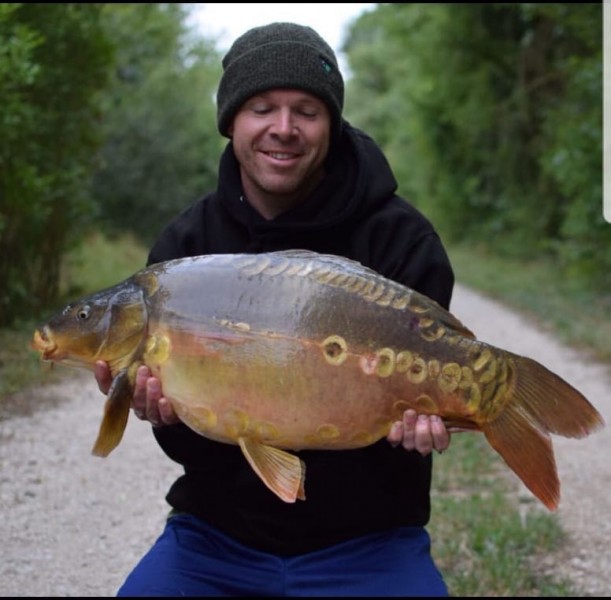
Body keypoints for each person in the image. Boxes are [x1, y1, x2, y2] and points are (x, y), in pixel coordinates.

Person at [95, 22, 454, 597]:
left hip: (371, 542)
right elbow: (191, 452)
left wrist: (426, 420)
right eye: (262, 107)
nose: (283, 129)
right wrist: (165, 414)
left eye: (306, 111)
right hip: (215, 539)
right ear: (231, 121)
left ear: (331, 125)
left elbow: (424, 393)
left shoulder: (401, 239)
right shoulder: (183, 250)